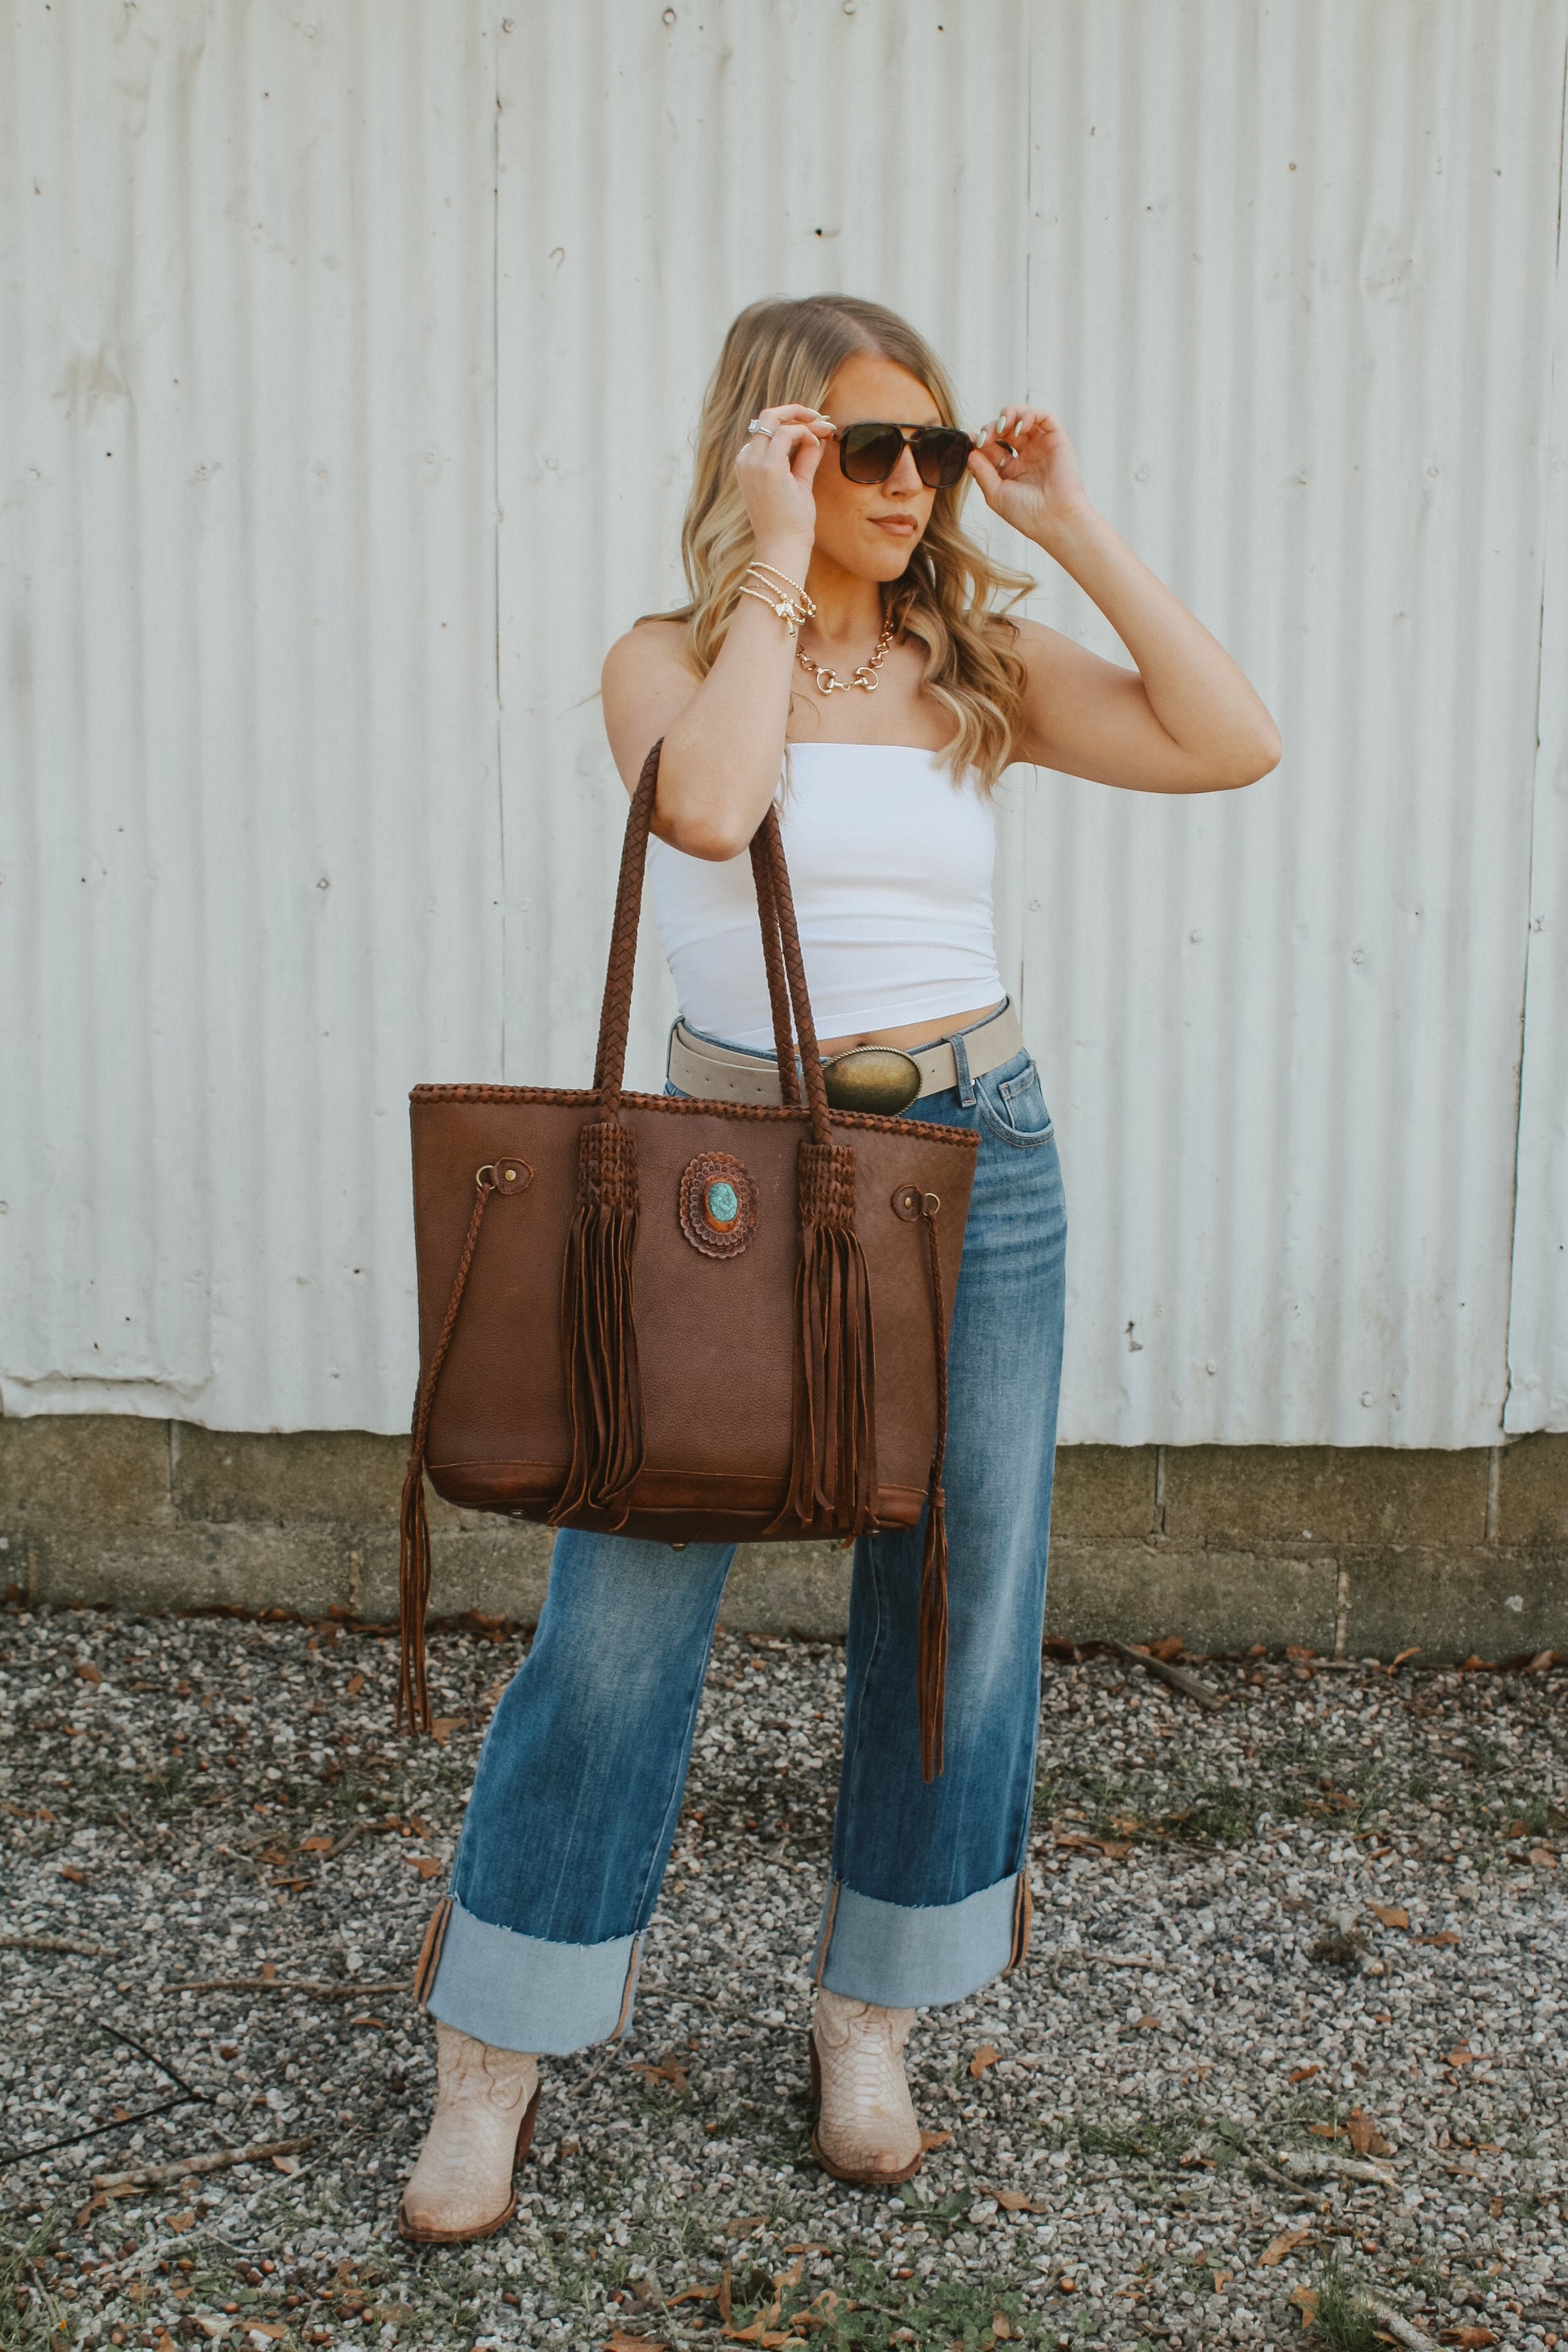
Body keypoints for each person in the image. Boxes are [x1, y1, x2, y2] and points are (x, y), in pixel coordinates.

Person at [399, 293, 1280, 2243]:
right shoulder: (669, 656)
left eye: (930, 450)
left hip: (974, 1162)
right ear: (772, 453)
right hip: (726, 1171)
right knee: (623, 1610)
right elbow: (713, 809)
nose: (909, 483)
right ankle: (495, 2047)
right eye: (863, 448)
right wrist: (777, 568)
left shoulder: (976, 664)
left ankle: (869, 2011)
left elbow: (1232, 741)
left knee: (957, 1593)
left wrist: (1070, 524)